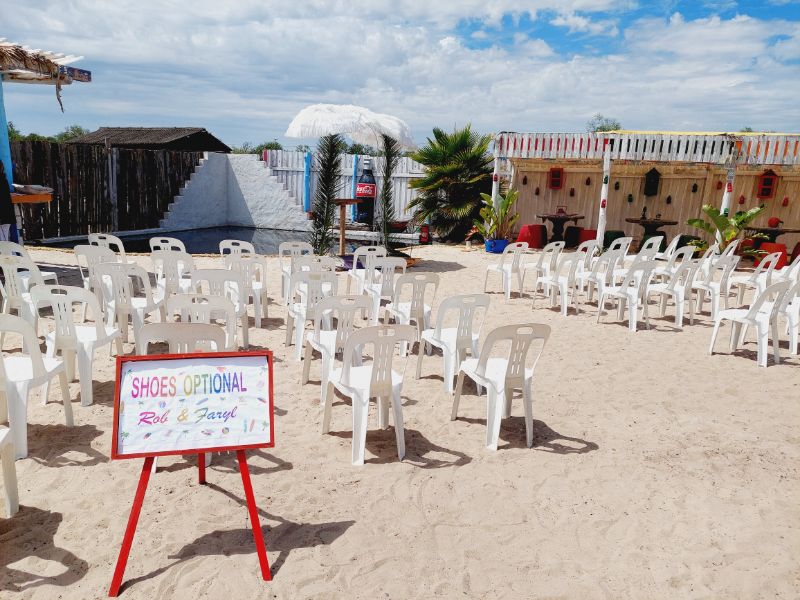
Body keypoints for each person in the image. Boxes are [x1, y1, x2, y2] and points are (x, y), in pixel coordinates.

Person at [0, 161, 18, 242]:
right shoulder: (4, 179)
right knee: (4, 239)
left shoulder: (2, 181)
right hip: (6, 216)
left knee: (3, 241)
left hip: (3, 217)